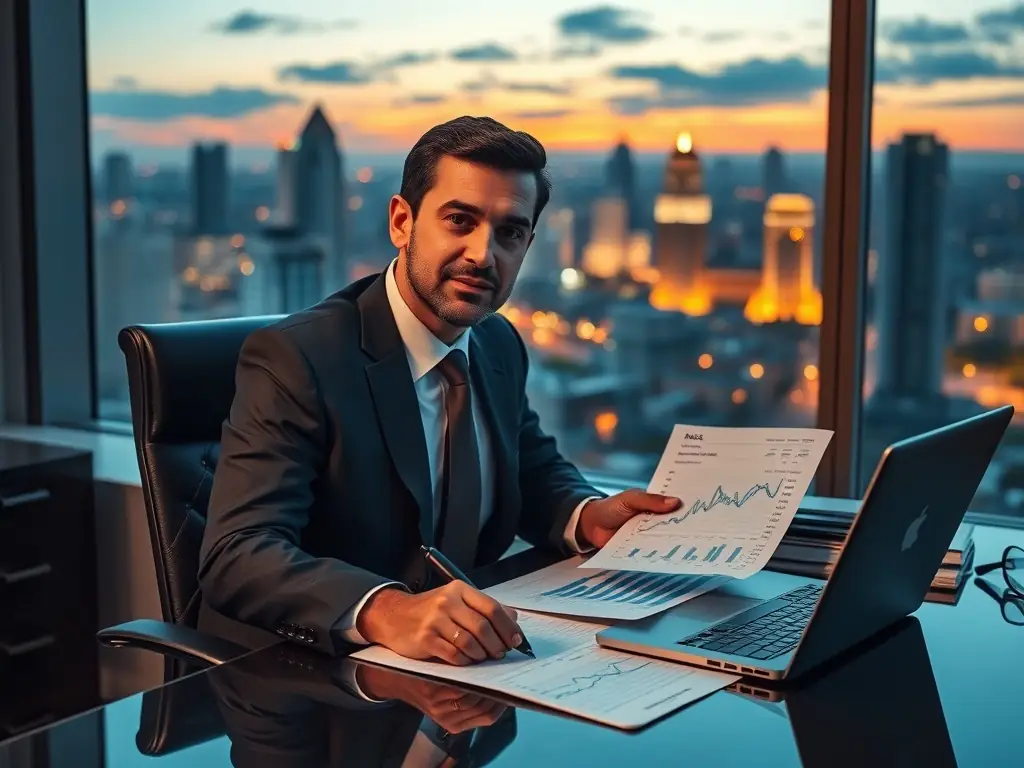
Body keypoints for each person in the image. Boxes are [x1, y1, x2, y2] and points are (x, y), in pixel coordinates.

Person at [197, 115, 680, 665]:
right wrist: (386, 610)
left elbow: (527, 467)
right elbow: (238, 554)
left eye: (509, 233)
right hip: (316, 679)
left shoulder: (497, 342)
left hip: (467, 666)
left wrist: (588, 515)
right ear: (402, 222)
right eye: (459, 221)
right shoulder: (300, 357)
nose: (483, 254)